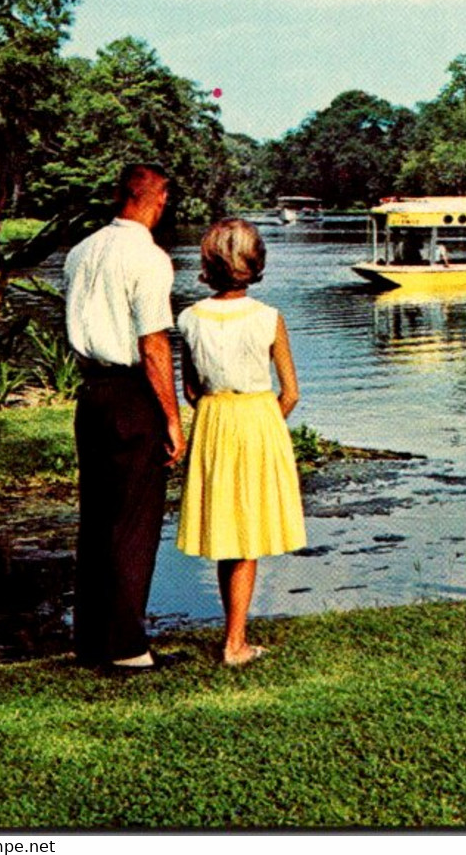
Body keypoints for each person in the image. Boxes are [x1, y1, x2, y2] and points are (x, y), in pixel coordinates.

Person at [64, 162, 184, 672]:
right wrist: (173, 419)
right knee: (135, 522)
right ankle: (129, 647)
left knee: (97, 520)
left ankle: (92, 638)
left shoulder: (81, 251)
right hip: (131, 393)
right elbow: (154, 345)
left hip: (90, 393)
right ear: (155, 201)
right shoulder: (150, 259)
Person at [175, 219, 306, 667]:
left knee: (227, 533)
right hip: (256, 419)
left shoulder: (189, 319)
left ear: (208, 265)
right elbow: (289, 392)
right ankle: (235, 644)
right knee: (247, 535)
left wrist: (218, 413)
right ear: (256, 263)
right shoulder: (269, 318)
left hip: (213, 421)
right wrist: (266, 423)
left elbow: (191, 391)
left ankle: (234, 634)